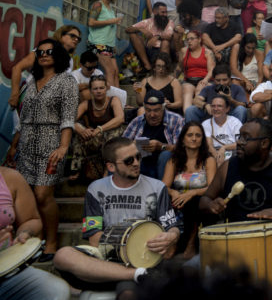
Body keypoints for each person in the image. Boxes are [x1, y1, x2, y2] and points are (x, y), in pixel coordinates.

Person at [198, 119, 272, 298]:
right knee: (189, 270)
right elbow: (204, 201)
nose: (239, 141)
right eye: (239, 136)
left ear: (264, 143)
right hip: (232, 241)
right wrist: (211, 205)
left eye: (246, 138)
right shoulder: (228, 167)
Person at [53, 137, 180, 294]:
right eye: (128, 160)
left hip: (143, 257)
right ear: (111, 166)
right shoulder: (96, 189)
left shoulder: (157, 187)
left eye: (137, 157)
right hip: (107, 257)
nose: (136, 163)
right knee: (62, 255)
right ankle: (136, 275)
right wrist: (126, 250)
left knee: (127, 293)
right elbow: (94, 237)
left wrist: (171, 236)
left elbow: (172, 227)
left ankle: (111, 278)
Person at [16, 39, 78, 258]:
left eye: (49, 51)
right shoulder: (32, 81)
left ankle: (51, 241)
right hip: (26, 144)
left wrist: (63, 146)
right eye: (40, 52)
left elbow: (68, 117)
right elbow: (21, 116)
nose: (44, 55)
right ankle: (36, 241)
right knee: (29, 197)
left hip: (51, 144)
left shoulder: (66, 81)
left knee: (43, 194)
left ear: (58, 54)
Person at [0, 165, 71, 299]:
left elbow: (31, 219)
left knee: (55, 290)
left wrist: (25, 232)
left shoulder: (10, 177)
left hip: (7, 271)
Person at [161, 121, 216, 258]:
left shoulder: (208, 160)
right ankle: (172, 241)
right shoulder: (174, 160)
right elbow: (163, 186)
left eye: (198, 135)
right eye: (190, 135)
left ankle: (190, 242)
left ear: (202, 139)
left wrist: (192, 193)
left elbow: (212, 187)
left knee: (195, 201)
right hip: (178, 200)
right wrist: (173, 192)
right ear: (183, 139)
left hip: (200, 200)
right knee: (162, 198)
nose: (194, 138)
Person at [73, 75, 125, 181]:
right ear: (91, 91)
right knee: (80, 134)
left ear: (106, 88)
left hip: (112, 136)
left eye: (101, 88)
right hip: (95, 137)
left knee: (113, 135)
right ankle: (77, 171)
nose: (99, 91)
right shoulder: (86, 104)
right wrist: (82, 130)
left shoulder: (114, 100)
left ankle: (107, 169)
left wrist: (100, 129)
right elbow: (68, 120)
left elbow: (120, 119)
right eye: (95, 88)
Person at [123, 90, 185, 180]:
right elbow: (121, 146)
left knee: (165, 155)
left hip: (167, 167)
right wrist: (133, 145)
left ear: (163, 108)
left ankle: (163, 189)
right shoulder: (137, 121)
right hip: (141, 165)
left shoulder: (176, 120)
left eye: (156, 110)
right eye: (148, 110)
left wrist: (161, 147)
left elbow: (183, 149)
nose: (152, 115)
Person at [88, 0, 123, 87]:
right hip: (99, 44)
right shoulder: (98, 4)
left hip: (109, 46)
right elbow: (91, 22)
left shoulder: (111, 8)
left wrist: (113, 45)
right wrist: (111, 21)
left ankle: (119, 101)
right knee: (110, 71)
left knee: (116, 73)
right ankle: (111, 101)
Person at [179, 30, 215, 115]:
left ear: (199, 39)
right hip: (189, 79)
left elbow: (211, 70)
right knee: (187, 89)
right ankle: (187, 114)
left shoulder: (207, 52)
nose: (189, 41)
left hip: (205, 79)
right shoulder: (184, 51)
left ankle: (197, 113)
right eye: (187, 39)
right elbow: (180, 68)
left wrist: (205, 80)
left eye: (192, 39)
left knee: (200, 88)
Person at [201, 95, 242, 165]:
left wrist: (224, 147)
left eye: (219, 106)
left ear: (227, 109)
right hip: (213, 152)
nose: (215, 109)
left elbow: (240, 143)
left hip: (232, 152)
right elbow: (209, 145)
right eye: (213, 106)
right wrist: (217, 157)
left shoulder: (235, 122)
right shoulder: (206, 124)